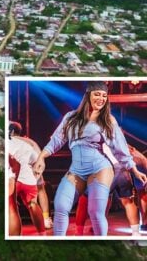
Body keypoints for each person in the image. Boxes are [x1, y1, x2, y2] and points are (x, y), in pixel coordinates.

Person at [34, 81, 147, 236]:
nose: (101, 98)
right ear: (88, 95)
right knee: (60, 207)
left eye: (104, 96)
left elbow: (121, 149)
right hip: (76, 170)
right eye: (97, 94)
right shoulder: (71, 117)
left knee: (95, 212)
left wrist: (134, 170)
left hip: (100, 168)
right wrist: (41, 157)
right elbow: (56, 141)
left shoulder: (108, 120)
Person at [8, 121, 49, 234]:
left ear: (11, 131)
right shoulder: (29, 142)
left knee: (11, 208)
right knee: (33, 202)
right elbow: (37, 160)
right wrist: (36, 174)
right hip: (30, 176)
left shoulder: (10, 142)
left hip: (13, 178)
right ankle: (43, 228)